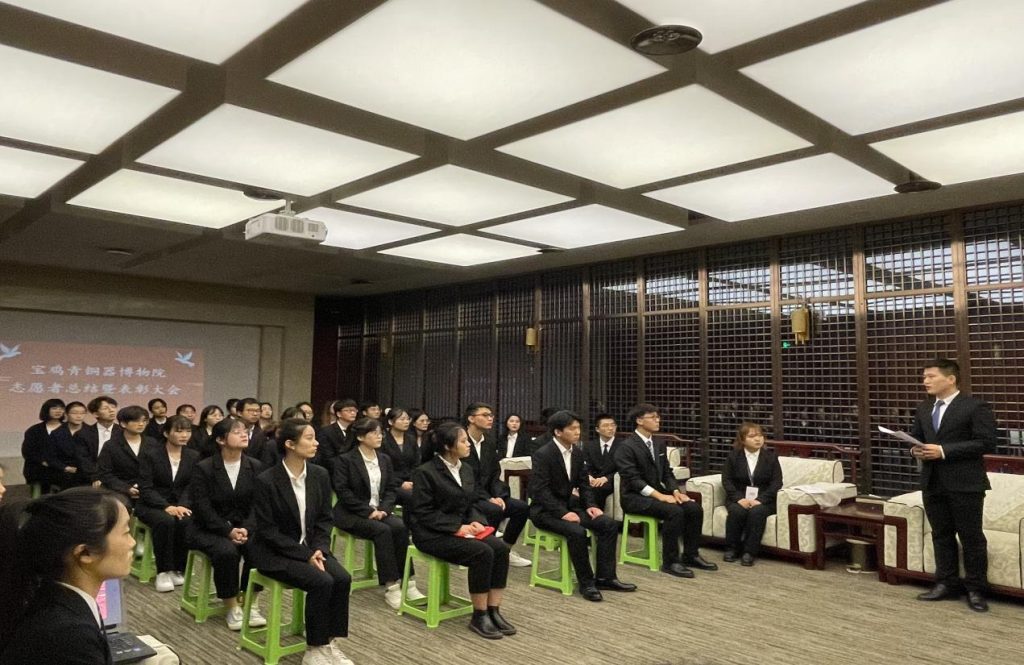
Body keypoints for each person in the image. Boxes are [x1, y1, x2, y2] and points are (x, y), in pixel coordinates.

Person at [251, 418, 353, 665]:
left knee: (342, 578)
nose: (316, 443)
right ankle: (314, 648)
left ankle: (329, 642)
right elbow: (268, 531)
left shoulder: (319, 474)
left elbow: (325, 519)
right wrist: (305, 555)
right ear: (290, 444)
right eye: (309, 438)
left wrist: (319, 549)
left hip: (311, 548)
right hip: (275, 552)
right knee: (322, 581)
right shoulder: (266, 480)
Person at [0, 487, 134, 665]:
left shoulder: (58, 599)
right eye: (126, 532)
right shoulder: (70, 634)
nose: (132, 542)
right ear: (85, 552)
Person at [410, 422, 515, 640]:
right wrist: (457, 527)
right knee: (482, 552)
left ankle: (494, 610)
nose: (468, 445)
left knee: (500, 548)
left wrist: (476, 521)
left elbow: (471, 503)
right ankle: (479, 615)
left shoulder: (466, 469)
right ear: (448, 446)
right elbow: (423, 512)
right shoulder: (425, 472)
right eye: (464, 441)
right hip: (431, 533)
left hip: (461, 528)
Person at [910, 358, 998, 613]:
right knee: (941, 535)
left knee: (971, 537)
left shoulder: (974, 406)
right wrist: (915, 450)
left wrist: (943, 451)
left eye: (931, 376)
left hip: (965, 483)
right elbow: (917, 438)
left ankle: (976, 589)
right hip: (932, 481)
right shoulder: (924, 408)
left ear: (950, 379)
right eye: (924, 377)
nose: (925, 381)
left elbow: (986, 442)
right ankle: (945, 583)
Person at [529, 411, 636, 602]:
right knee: (577, 531)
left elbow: (584, 484)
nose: (577, 432)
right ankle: (587, 583)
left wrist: (591, 505)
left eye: (578, 428)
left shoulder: (577, 453)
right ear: (558, 432)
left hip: (571, 507)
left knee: (608, 524)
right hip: (545, 511)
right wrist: (562, 513)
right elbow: (540, 491)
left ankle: (605, 578)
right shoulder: (543, 454)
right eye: (572, 428)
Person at [615, 403, 716, 578]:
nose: (657, 420)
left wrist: (675, 491)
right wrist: (661, 496)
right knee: (674, 511)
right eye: (653, 417)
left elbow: (667, 473)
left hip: (658, 493)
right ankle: (670, 562)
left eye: (658, 417)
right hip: (634, 498)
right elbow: (633, 480)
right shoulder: (626, 447)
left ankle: (690, 555)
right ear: (639, 421)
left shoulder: (658, 443)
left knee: (693, 508)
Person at [332, 418, 424, 610]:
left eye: (380, 432)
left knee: (400, 527)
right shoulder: (345, 460)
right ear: (360, 437)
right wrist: (368, 511)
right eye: (374, 433)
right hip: (351, 513)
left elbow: (391, 489)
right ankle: (391, 586)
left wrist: (383, 509)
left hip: (380, 510)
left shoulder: (384, 459)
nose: (379, 436)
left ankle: (409, 581)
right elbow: (343, 492)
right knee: (382, 531)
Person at [188, 417, 266, 631]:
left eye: (244, 431)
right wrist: (227, 530)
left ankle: (251, 601)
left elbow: (259, 505)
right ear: (221, 440)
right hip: (209, 528)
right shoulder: (204, 468)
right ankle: (232, 606)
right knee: (226, 552)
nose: (244, 434)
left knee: (259, 547)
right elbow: (202, 507)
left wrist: (246, 528)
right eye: (236, 431)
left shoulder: (255, 466)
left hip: (245, 527)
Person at [463, 403, 531, 568]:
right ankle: (485, 551)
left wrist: (499, 495)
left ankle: (505, 550)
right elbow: (465, 479)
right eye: (485, 415)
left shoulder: (489, 442)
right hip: (467, 495)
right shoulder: (461, 441)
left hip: (487, 494)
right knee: (493, 510)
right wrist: (488, 498)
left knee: (521, 508)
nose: (490, 418)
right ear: (471, 418)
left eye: (491, 415)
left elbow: (495, 474)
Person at [137, 415, 198, 592]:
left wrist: (183, 505)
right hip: (152, 504)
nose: (184, 435)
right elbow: (146, 488)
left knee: (186, 520)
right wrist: (166, 506)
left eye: (188, 431)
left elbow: (192, 486)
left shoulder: (193, 456)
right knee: (165, 521)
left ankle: (178, 568)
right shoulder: (150, 455)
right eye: (179, 431)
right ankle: (163, 571)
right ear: (166, 433)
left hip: (181, 504)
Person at [721, 423, 783, 566]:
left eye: (760, 435)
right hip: (739, 497)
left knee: (757, 512)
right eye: (752, 436)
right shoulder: (733, 457)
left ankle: (749, 552)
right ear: (742, 440)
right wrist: (739, 498)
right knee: (737, 511)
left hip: (764, 500)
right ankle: (731, 549)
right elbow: (726, 480)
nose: (757, 439)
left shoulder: (771, 457)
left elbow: (777, 483)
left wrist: (760, 499)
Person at [97, 406, 157, 503]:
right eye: (136, 421)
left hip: (147, 489)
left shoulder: (152, 443)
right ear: (123, 424)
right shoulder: (111, 445)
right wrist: (126, 488)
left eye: (144, 421)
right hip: (119, 490)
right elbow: (104, 473)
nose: (141, 424)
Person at [21, 398, 66, 494]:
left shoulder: (69, 428)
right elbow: (27, 451)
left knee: (63, 499)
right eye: (54, 408)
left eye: (61, 408)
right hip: (38, 472)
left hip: (63, 472)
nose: (58, 411)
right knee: (38, 499)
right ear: (46, 410)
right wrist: (43, 461)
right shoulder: (34, 430)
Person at [76, 396, 119, 487]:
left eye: (113, 407)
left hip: (119, 477)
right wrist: (95, 477)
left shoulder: (123, 432)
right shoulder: (83, 434)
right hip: (91, 477)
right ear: (96, 414)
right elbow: (83, 459)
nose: (111, 410)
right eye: (106, 408)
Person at [381, 408, 419, 508]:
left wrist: (412, 480)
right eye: (402, 419)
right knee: (413, 496)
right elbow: (383, 467)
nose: (406, 422)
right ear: (391, 422)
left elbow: (416, 463)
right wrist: (400, 483)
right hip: (391, 483)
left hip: (411, 480)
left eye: (407, 419)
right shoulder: (383, 440)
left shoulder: (411, 439)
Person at [582, 413, 618, 511]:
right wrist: (589, 477)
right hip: (593, 480)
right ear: (597, 429)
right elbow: (585, 465)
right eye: (606, 425)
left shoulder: (623, 446)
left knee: (598, 489)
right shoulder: (589, 446)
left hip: (612, 481)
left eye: (613, 425)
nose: (610, 428)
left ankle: (595, 515)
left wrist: (606, 478)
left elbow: (622, 468)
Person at [50, 401, 88, 489]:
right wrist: (65, 467)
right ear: (66, 414)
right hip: (65, 470)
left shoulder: (91, 431)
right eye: (75, 413)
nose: (79, 416)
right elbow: (51, 457)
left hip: (87, 470)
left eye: (82, 413)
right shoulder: (56, 433)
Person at [315, 399, 358, 474]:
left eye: (354, 410)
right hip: (333, 471)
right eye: (348, 410)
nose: (352, 413)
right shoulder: (326, 431)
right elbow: (327, 456)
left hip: (353, 470)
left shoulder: (357, 430)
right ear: (338, 414)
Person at [237, 398, 276, 467]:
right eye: (250, 411)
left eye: (258, 411)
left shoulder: (263, 433)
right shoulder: (230, 431)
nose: (255, 414)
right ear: (239, 413)